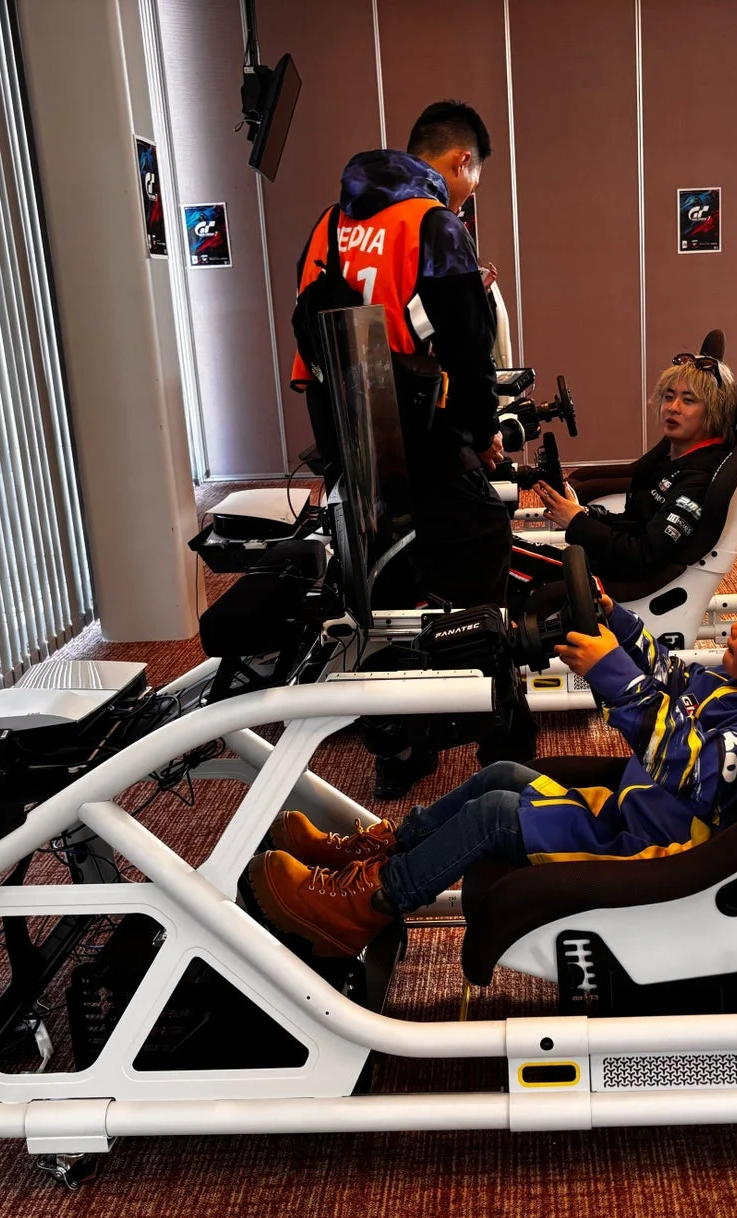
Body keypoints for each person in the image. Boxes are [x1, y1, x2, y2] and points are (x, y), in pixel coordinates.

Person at [248, 572, 737, 957]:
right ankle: (381, 849)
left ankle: (367, 906)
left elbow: (694, 768)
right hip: (624, 815)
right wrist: (614, 620)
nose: (736, 628)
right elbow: (666, 673)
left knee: (494, 814)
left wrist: (614, 678)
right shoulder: (734, 686)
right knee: (501, 777)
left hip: (649, 851)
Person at [289, 101, 518, 799]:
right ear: (462, 162)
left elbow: (312, 333)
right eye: (474, 179)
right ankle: (496, 735)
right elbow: (469, 354)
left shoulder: (330, 223)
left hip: (350, 443)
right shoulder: (435, 225)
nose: (470, 193)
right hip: (423, 439)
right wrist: (484, 436)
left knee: (382, 587)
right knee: (485, 550)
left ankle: (397, 743)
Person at [525, 355, 737, 584]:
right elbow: (635, 524)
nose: (672, 408)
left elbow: (643, 554)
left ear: (714, 411)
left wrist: (576, 521)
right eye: (669, 397)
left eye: (688, 401)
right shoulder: (670, 455)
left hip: (620, 583)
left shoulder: (698, 477)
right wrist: (586, 514)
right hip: (610, 563)